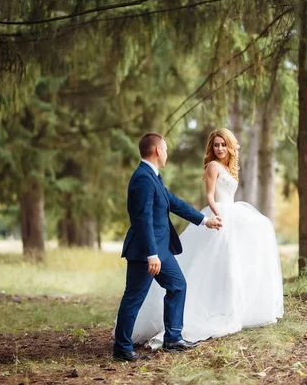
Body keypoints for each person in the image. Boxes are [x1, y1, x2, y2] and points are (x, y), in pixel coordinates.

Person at [129, 128, 284, 348]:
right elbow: (209, 196)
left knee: (237, 262)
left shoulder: (228, 168)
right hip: (219, 214)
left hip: (230, 212)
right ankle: (149, 339)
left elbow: (174, 202)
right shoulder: (210, 166)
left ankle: (231, 309)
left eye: (223, 144)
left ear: (229, 146)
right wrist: (215, 216)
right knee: (203, 270)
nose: (219, 148)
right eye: (216, 145)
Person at [113, 132, 222, 362]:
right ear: (157, 151)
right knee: (133, 297)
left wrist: (204, 220)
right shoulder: (142, 178)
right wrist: (151, 254)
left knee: (178, 285)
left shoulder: (153, 176)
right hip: (146, 251)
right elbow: (143, 219)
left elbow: (174, 202)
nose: (167, 153)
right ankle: (122, 348)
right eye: (165, 149)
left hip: (161, 249)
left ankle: (173, 338)